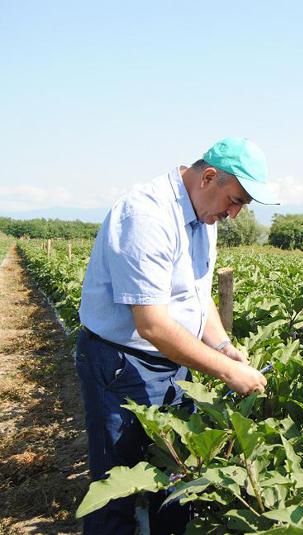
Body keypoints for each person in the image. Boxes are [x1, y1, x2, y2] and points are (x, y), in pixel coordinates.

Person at [76, 137, 274, 534]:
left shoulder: (204, 217)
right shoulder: (146, 216)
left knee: (176, 483)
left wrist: (223, 347)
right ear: (208, 177)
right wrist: (226, 371)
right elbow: (152, 324)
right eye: (235, 200)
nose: (234, 213)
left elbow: (197, 295)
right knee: (117, 493)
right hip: (122, 365)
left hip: (172, 363)